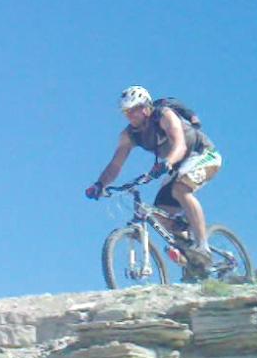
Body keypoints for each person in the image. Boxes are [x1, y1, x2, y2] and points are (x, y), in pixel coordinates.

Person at [85, 86, 223, 264]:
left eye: (133, 110)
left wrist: (167, 162)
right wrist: (99, 184)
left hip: (203, 155)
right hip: (177, 166)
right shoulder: (129, 135)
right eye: (126, 112)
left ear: (145, 107)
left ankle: (202, 247)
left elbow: (180, 145)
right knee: (159, 214)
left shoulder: (164, 116)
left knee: (181, 188)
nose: (130, 115)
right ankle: (190, 256)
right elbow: (115, 164)